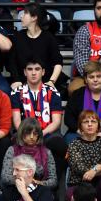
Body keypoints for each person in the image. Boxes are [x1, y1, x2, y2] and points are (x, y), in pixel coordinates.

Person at [11, 58, 68, 190]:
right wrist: (27, 135)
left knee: (59, 145)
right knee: (11, 143)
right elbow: (17, 121)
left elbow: (56, 121)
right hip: (24, 133)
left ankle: (51, 188)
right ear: (25, 72)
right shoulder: (16, 92)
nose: (33, 73)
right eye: (30, 69)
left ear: (43, 72)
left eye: (37, 69)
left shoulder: (53, 92)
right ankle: (15, 187)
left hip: (47, 132)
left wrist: (40, 134)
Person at [66, 60, 101, 170]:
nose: (95, 80)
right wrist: (81, 132)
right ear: (86, 79)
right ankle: (78, 174)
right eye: (91, 77)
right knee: (70, 140)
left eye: (98, 76)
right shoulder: (77, 94)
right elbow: (68, 118)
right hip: (80, 132)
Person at [66, 110, 101, 201]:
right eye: (86, 122)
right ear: (80, 126)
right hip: (79, 183)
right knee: (70, 195)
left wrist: (94, 171)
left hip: (100, 184)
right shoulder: (73, 144)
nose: (90, 125)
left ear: (98, 126)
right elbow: (80, 169)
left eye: (93, 122)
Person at [8, 3, 64, 92]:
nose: (21, 16)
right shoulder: (18, 36)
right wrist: (17, 80)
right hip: (22, 83)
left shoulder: (48, 37)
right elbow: (12, 62)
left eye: (25, 13)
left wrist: (51, 82)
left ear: (34, 18)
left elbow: (58, 62)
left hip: (44, 83)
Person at [1, 117, 57, 193]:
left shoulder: (46, 152)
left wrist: (38, 183)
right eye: (28, 133)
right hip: (15, 190)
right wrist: (27, 182)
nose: (31, 137)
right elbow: (5, 177)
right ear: (22, 133)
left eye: (35, 134)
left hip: (39, 191)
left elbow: (53, 181)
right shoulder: (12, 150)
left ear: (39, 135)